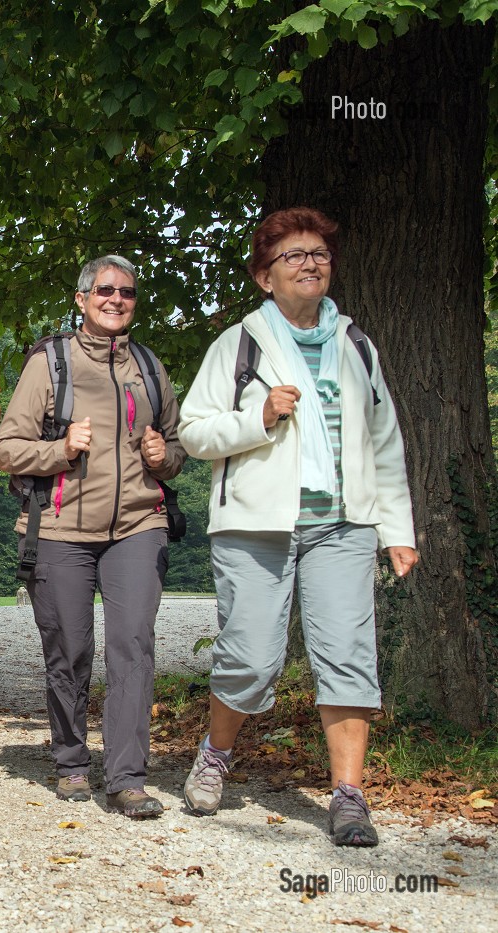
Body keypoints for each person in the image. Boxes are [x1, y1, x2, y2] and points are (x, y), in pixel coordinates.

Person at [178, 207, 419, 847]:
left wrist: (397, 528)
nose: (310, 263)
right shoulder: (239, 343)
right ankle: (216, 753)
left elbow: (384, 443)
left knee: (346, 653)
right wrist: (257, 416)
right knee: (252, 657)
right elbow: (195, 433)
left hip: (342, 526)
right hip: (256, 526)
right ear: (265, 277)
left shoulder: (356, 345)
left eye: (319, 253)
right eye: (294, 255)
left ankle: (347, 797)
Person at [0, 255, 185, 818]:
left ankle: (127, 778)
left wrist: (163, 456)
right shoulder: (50, 364)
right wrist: (60, 449)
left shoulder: (148, 366)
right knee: (70, 651)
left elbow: (176, 448)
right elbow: (5, 449)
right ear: (82, 299)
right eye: (104, 290)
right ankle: (72, 760)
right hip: (59, 529)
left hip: (138, 527)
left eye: (126, 291)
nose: (116, 299)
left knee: (133, 649)